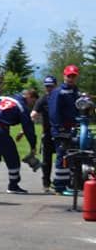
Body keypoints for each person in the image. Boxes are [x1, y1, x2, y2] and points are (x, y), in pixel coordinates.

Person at [0, 92, 37, 194]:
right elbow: (28, 127)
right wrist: (33, 145)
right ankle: (13, 186)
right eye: (33, 101)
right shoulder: (21, 106)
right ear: (29, 97)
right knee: (13, 159)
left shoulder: (4, 99)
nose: (32, 104)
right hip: (0, 131)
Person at [48, 65, 82, 194]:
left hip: (72, 128)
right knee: (62, 156)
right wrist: (60, 128)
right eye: (69, 76)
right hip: (61, 130)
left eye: (73, 76)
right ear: (64, 76)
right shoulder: (58, 92)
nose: (71, 78)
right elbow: (54, 112)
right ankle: (59, 186)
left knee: (71, 156)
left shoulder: (75, 91)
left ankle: (67, 184)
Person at [32, 77, 57, 191]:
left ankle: (65, 182)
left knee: (66, 158)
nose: (49, 88)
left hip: (61, 133)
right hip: (47, 133)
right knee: (46, 160)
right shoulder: (43, 99)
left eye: (51, 86)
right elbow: (33, 113)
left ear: (55, 86)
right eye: (47, 86)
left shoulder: (60, 97)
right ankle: (46, 184)